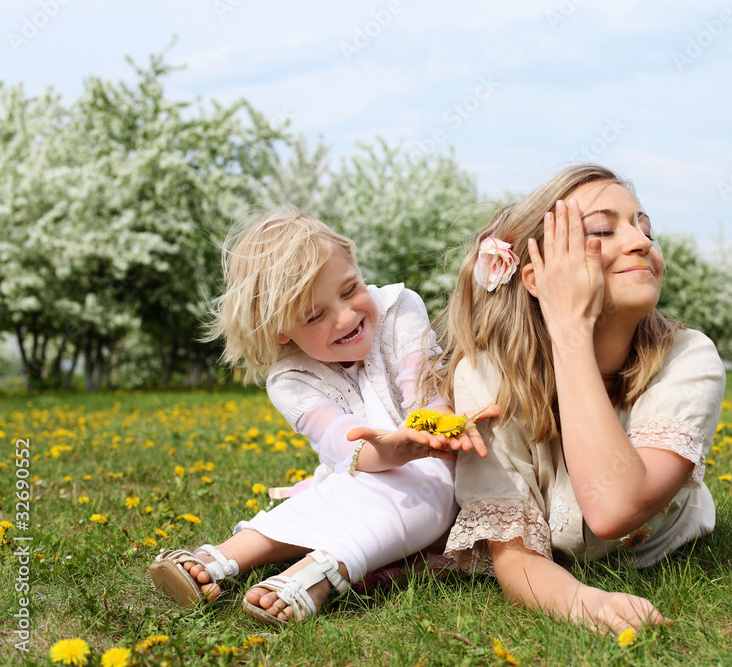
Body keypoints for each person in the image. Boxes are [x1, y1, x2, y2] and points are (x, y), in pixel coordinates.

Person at [149, 203, 496, 627]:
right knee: (327, 500)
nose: (347, 316)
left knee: (423, 498)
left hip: (431, 469)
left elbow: (421, 383)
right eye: (316, 315)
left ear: (356, 268)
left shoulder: (399, 308)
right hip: (358, 470)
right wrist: (386, 452)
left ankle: (320, 573)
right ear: (281, 330)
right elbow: (340, 441)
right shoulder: (289, 379)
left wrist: (433, 428)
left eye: (350, 289)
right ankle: (220, 557)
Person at [422, 164, 726, 634]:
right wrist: (581, 601)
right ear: (535, 277)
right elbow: (515, 553)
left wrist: (569, 333)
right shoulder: (486, 376)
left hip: (650, 546)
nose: (641, 242)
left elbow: (613, 508)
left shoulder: (689, 357)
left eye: (645, 228)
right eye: (604, 229)